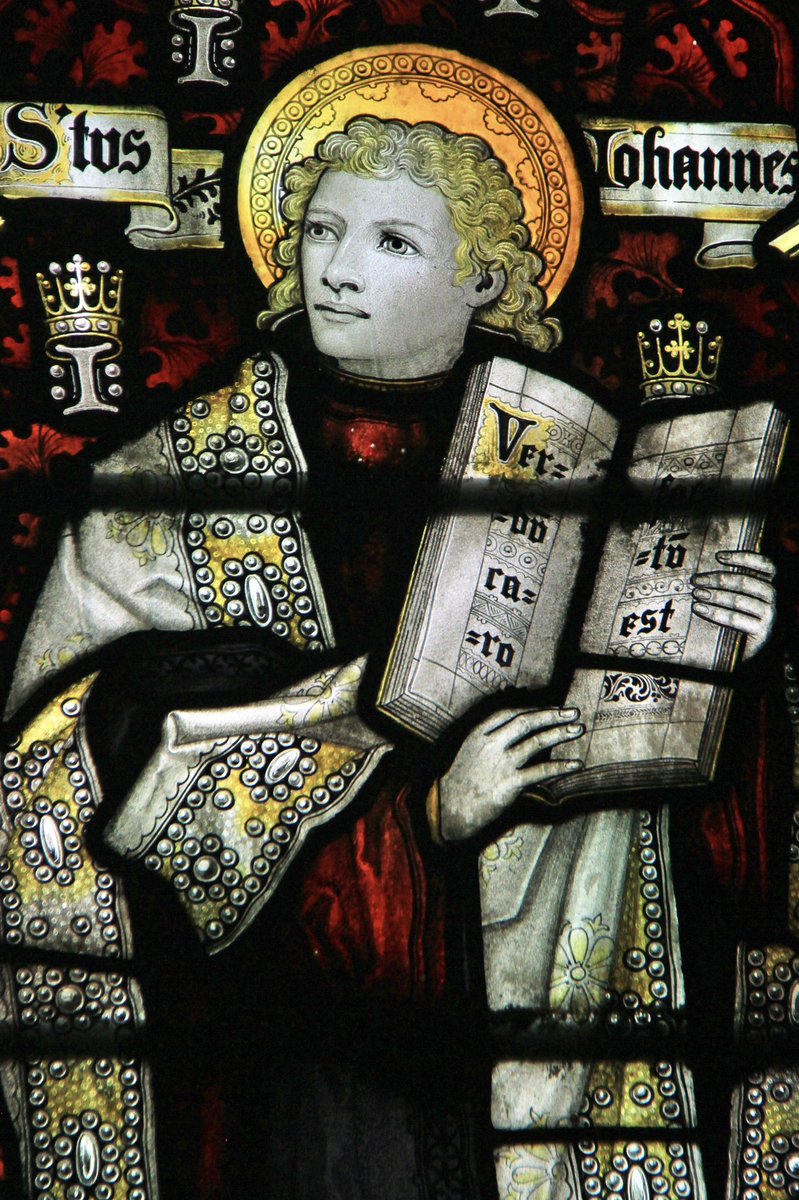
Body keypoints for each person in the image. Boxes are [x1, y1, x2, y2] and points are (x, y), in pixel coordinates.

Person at [0, 116, 777, 1200]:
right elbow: (72, 753)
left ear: (485, 279)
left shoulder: (585, 466)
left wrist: (725, 660)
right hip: (299, 1068)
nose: (336, 269)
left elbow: (702, 833)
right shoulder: (168, 487)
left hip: (546, 1022)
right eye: (321, 231)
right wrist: (417, 819)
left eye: (392, 243)